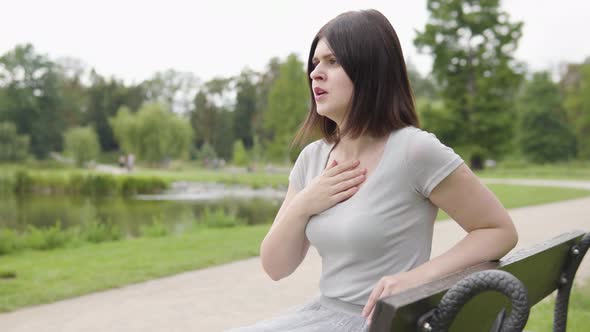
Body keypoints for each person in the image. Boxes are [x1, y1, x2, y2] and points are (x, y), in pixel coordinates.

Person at [226, 9, 518, 332]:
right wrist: (305, 203)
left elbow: (498, 231)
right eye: (315, 63)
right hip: (323, 316)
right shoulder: (313, 158)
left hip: (382, 323)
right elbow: (275, 267)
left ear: (370, 71)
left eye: (332, 61)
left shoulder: (413, 151)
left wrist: (416, 280)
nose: (315, 74)